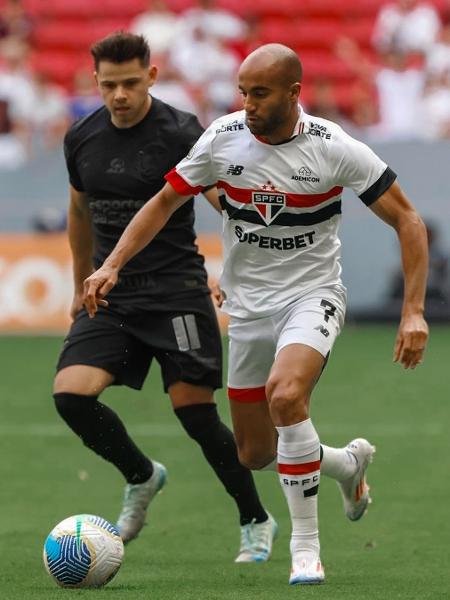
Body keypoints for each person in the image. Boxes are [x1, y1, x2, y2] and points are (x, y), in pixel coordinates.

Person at [85, 40, 426, 583]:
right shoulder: (223, 139)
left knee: (287, 397)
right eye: (243, 91)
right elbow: (166, 200)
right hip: (246, 309)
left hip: (312, 296)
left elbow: (409, 221)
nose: (247, 103)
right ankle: (346, 465)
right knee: (254, 452)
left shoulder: (333, 147)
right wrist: (112, 266)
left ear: (295, 92)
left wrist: (412, 311)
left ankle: (306, 550)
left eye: (260, 93)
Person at [53, 31, 278, 563]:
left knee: (196, 416)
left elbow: (226, 202)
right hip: (112, 295)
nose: (120, 96)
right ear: (96, 83)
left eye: (130, 83)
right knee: (70, 396)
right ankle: (141, 475)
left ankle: (255, 518)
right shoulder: (81, 136)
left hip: (176, 291)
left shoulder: (181, 132)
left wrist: (242, 268)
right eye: (109, 86)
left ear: (151, 76)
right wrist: (78, 281)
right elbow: (79, 213)